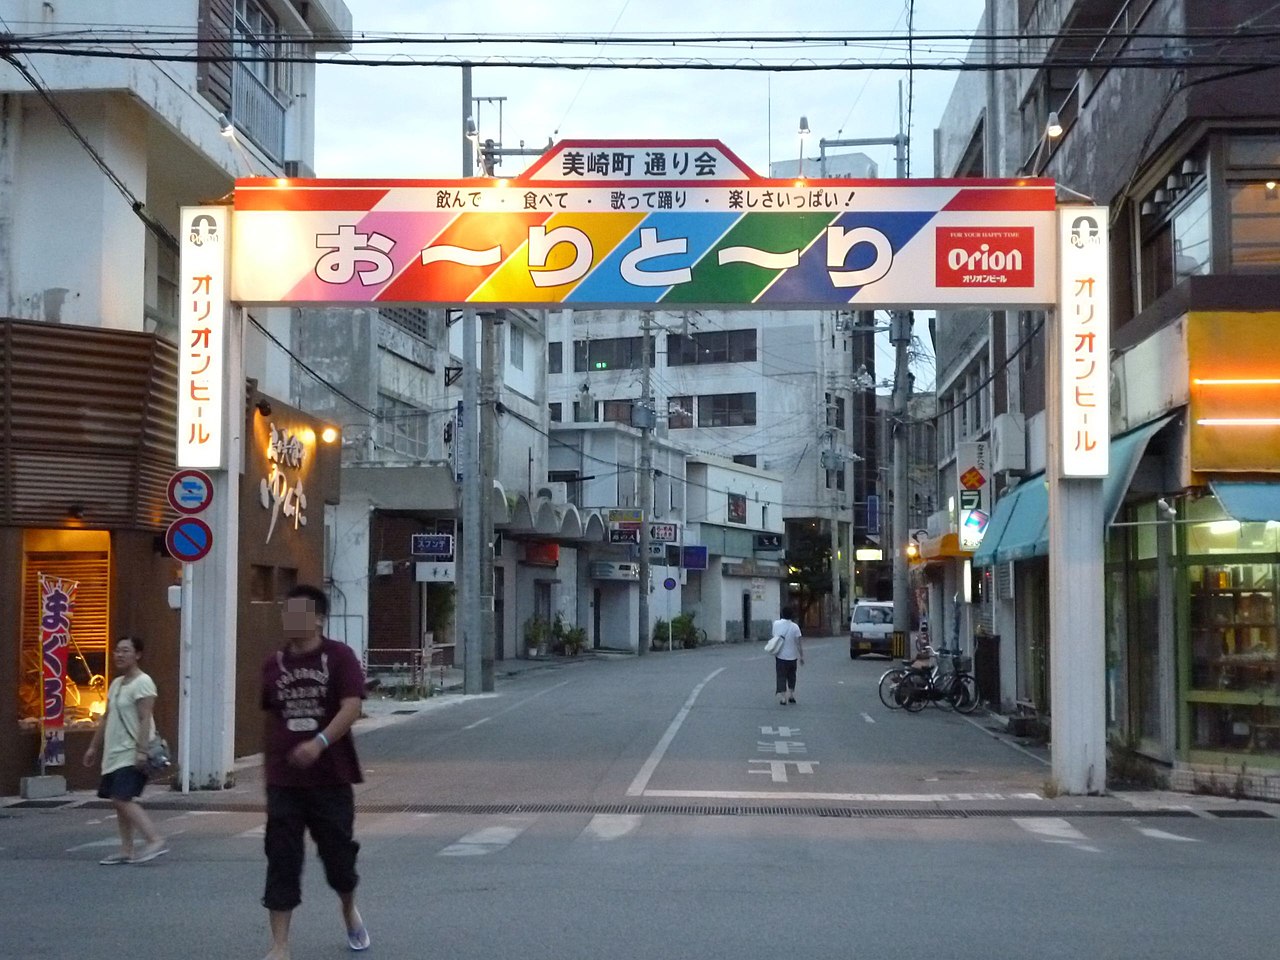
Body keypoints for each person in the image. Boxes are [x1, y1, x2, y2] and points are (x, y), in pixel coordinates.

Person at [260, 584, 370, 960]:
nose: (288, 619)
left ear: (318, 619)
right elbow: (271, 714)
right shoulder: (273, 664)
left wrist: (319, 743)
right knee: (281, 858)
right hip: (284, 782)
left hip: (331, 778)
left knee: (339, 860)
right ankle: (280, 945)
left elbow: (352, 706)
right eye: (285, 612)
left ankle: (348, 908)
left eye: (297, 613)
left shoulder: (339, 657)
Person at [83, 636, 168, 865]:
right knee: (118, 799)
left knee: (122, 798)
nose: (119, 655)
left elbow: (144, 718)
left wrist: (141, 751)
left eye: (125, 651)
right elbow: (107, 717)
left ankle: (154, 839)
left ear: (137, 654)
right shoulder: (116, 684)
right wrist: (93, 747)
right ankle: (126, 849)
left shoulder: (144, 683)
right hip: (114, 752)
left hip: (131, 752)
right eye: (117, 651)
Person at [771, 606, 804, 705]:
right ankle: (791, 695)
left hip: (780, 656)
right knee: (791, 676)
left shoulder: (776, 624)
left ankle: (783, 698)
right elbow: (798, 643)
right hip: (792, 657)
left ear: (782, 614)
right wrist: (801, 656)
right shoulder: (795, 627)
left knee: (781, 676)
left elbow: (774, 636)